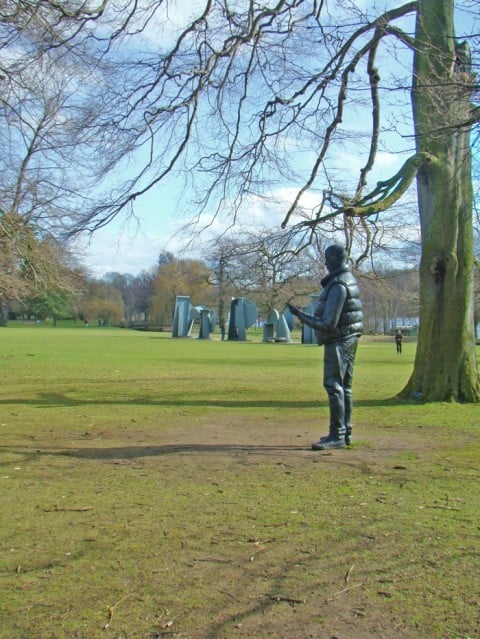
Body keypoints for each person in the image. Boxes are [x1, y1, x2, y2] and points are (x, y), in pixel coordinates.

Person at [287, 245, 363, 450]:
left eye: (328, 258)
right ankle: (345, 432)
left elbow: (329, 322)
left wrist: (300, 316)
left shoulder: (338, 285)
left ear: (339, 258)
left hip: (339, 338)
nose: (326, 262)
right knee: (344, 386)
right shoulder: (346, 280)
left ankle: (337, 434)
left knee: (334, 385)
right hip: (348, 335)